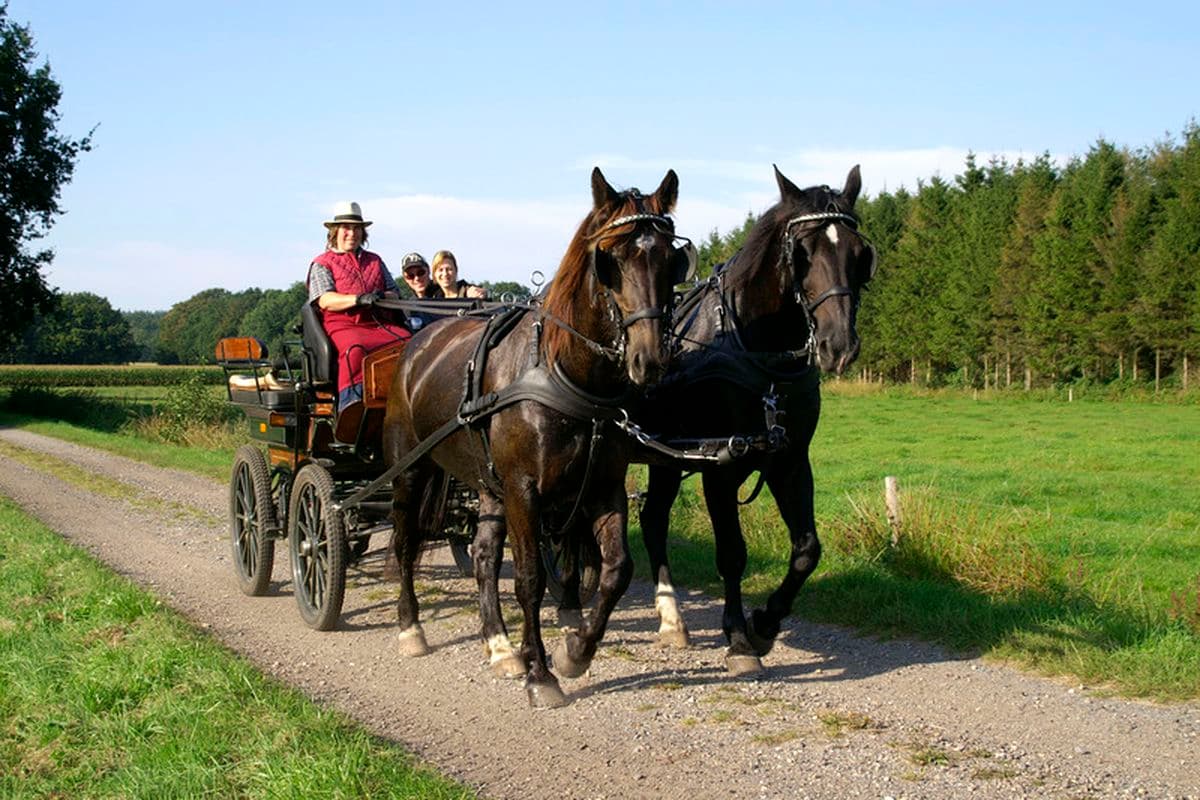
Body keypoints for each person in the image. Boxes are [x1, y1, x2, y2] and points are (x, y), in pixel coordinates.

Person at [306, 201, 411, 409]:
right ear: (335, 232)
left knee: (409, 343)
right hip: (344, 325)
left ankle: (405, 403)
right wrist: (357, 299)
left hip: (380, 324)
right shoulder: (322, 263)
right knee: (355, 350)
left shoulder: (374, 261)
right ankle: (351, 405)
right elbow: (325, 299)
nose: (351, 233)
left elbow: (395, 293)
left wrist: (380, 296)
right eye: (346, 228)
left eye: (356, 229)